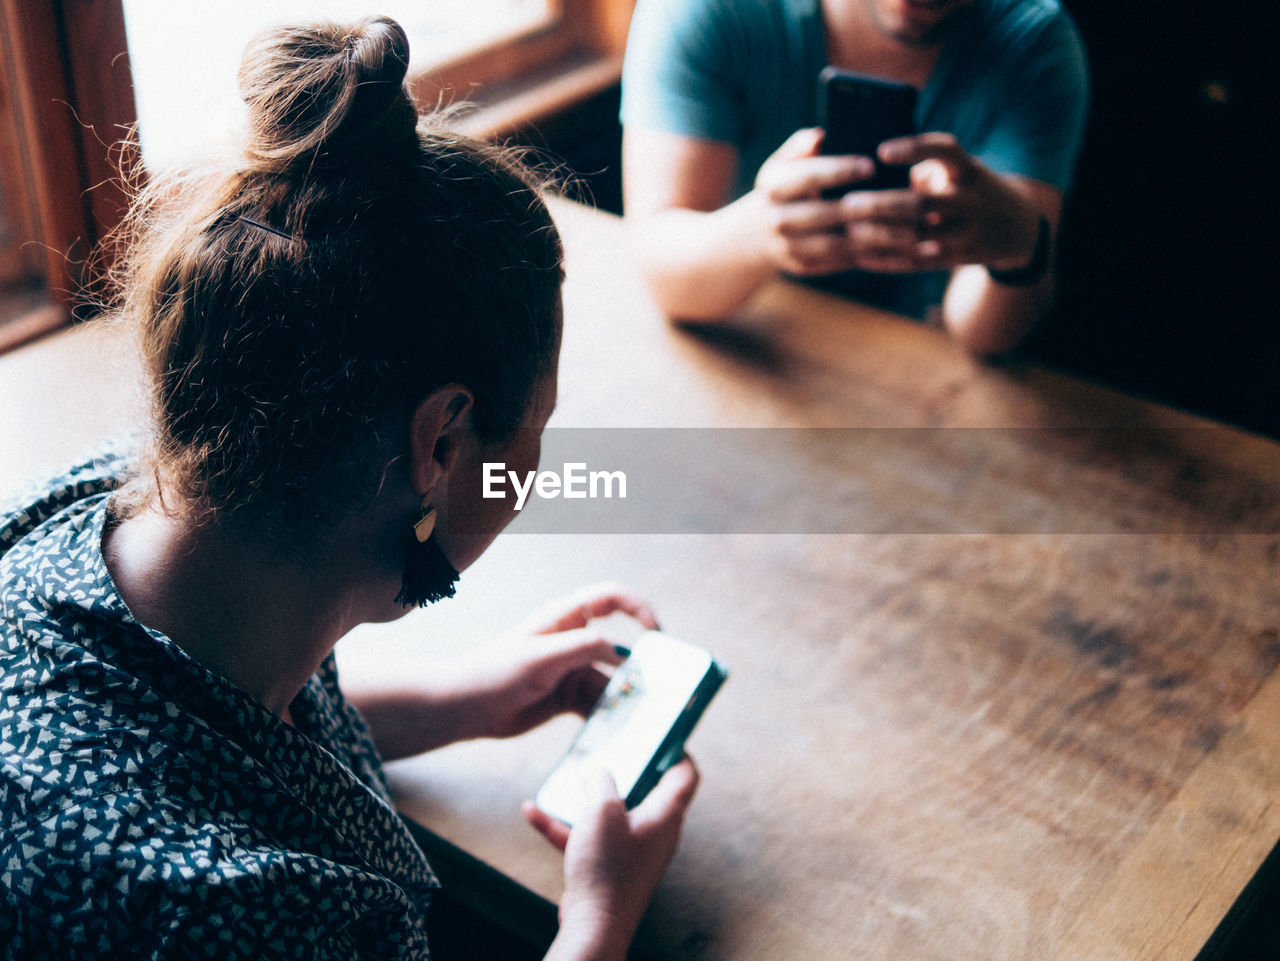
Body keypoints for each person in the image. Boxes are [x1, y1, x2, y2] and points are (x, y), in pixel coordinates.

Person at [0, 17, 697, 961]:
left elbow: (227, 736)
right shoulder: (261, 913)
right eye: (530, 432)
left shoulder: (121, 507)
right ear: (442, 442)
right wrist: (599, 919)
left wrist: (462, 699)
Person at [620, 0, 1090, 356]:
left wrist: (1020, 246)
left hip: (917, 372)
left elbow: (984, 337)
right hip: (752, 343)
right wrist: (760, 233)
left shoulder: (1034, 42)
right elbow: (665, 271)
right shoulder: (707, 10)